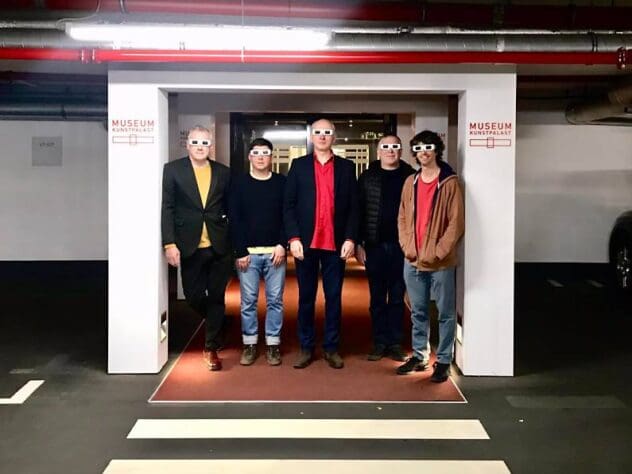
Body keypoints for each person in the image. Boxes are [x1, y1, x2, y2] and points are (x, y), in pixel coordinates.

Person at [284, 118, 359, 369]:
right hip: (306, 244)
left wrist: (350, 238)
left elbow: (354, 208)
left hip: (336, 245)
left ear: (334, 137)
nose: (323, 136)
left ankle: (331, 347)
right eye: (318, 132)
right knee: (306, 298)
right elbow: (289, 205)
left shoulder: (347, 168)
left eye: (327, 132)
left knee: (334, 298)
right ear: (312, 136)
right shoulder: (299, 165)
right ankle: (306, 347)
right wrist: (293, 238)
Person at [161, 125, 232, 371]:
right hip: (189, 245)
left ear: (211, 146)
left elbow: (230, 207)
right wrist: (169, 243)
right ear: (187, 144)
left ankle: (211, 347)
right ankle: (218, 320)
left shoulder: (223, 172)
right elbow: (167, 207)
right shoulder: (173, 170)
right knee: (193, 296)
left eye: (204, 143)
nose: (200, 147)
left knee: (217, 296)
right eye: (195, 143)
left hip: (219, 245)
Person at [397, 130, 464, 383]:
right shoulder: (410, 182)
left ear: (436, 150)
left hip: (441, 262)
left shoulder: (449, 182)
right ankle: (420, 355)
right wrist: (407, 246)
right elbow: (402, 217)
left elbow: (456, 223)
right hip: (412, 259)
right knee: (418, 310)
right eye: (418, 148)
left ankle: (444, 360)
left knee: (445, 312)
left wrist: (438, 252)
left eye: (428, 147)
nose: (423, 152)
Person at [229, 138, 287, 366]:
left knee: (275, 301)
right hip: (248, 255)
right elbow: (235, 219)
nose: (261, 157)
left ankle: (273, 344)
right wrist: (240, 250)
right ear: (249, 157)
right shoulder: (239, 184)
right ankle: (250, 344)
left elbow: (287, 215)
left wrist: (283, 244)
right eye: (256, 153)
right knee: (248, 301)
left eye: (265, 153)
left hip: (276, 253)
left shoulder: (282, 182)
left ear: (271, 157)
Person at [356, 135, 414, 362]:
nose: (391, 150)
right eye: (386, 147)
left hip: (402, 246)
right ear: (378, 151)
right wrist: (359, 243)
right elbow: (358, 211)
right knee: (377, 298)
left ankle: (396, 342)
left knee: (398, 297)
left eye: (395, 146)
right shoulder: (367, 177)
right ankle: (379, 342)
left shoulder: (411, 176)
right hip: (375, 246)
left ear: (401, 151)